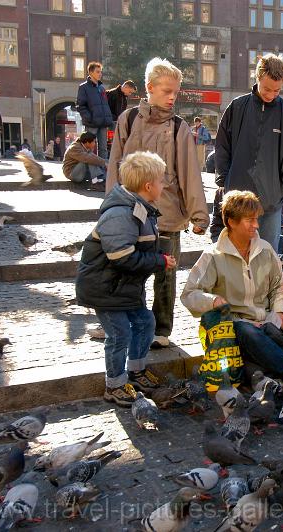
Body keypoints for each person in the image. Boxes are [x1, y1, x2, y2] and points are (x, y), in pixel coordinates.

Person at [107, 56, 210, 348]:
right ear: (149, 88)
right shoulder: (127, 119)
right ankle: (130, 321)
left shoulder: (179, 127)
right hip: (130, 212)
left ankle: (161, 329)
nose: (172, 97)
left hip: (167, 213)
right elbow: (115, 166)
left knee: (166, 273)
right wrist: (110, 208)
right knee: (129, 270)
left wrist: (199, 215)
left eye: (176, 92)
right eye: (167, 91)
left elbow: (190, 172)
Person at [181, 190, 283, 382]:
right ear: (231, 221)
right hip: (237, 326)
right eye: (249, 220)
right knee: (248, 331)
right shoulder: (212, 256)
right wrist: (212, 300)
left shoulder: (265, 249)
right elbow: (189, 294)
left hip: (267, 322)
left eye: (256, 219)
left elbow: (279, 286)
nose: (256, 225)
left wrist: (279, 313)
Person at [75, 151, 177, 407]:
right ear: (148, 186)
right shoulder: (121, 213)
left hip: (124, 287)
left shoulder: (140, 209)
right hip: (105, 289)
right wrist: (159, 261)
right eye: (162, 180)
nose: (164, 185)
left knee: (145, 322)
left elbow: (139, 247)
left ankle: (137, 370)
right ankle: (115, 384)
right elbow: (122, 257)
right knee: (119, 334)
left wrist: (159, 254)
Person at [215, 53, 283, 253]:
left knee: (267, 257)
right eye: (267, 89)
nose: (271, 95)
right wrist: (224, 182)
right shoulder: (237, 107)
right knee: (235, 255)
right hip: (237, 198)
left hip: (271, 200)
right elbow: (222, 146)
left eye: (277, 90)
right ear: (257, 78)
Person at [77, 62, 114, 160]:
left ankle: (103, 172)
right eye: (98, 72)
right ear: (90, 72)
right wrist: (89, 118)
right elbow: (80, 105)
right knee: (88, 148)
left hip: (103, 123)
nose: (100, 74)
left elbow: (105, 105)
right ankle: (89, 171)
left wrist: (108, 118)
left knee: (103, 149)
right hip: (92, 123)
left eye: (100, 72)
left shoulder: (101, 88)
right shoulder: (83, 87)